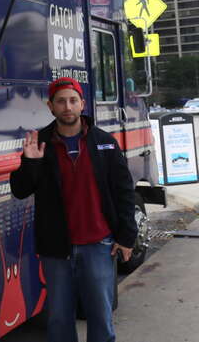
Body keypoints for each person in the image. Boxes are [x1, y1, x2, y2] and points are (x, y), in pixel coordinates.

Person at [9, 77, 137, 342]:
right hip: (57, 250)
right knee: (59, 318)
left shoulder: (104, 142)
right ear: (50, 106)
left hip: (99, 245)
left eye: (72, 100)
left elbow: (124, 192)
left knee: (101, 317)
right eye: (60, 101)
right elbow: (20, 190)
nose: (67, 106)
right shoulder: (39, 143)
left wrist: (126, 236)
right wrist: (30, 164)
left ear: (82, 104)